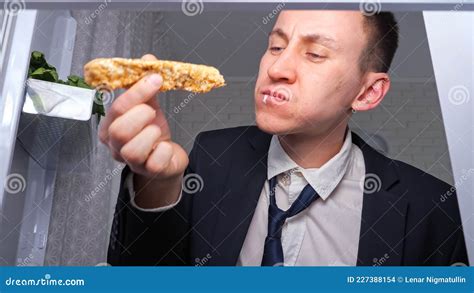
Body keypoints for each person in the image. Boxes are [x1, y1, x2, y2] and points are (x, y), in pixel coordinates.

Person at [101, 10, 468, 266]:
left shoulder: (434, 208)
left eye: (315, 53)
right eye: (276, 47)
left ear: (367, 93)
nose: (276, 69)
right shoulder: (210, 156)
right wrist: (157, 185)